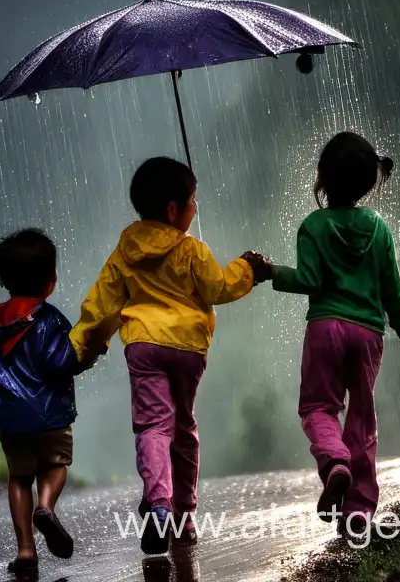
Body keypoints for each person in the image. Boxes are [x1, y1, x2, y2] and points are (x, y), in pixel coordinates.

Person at [69, 156, 273, 555]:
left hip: (144, 348)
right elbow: (218, 288)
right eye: (193, 201)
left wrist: (83, 347)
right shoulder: (191, 250)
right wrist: (249, 268)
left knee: (153, 428)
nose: (196, 208)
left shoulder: (124, 251)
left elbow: (103, 305)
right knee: (183, 430)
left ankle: (159, 505)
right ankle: (185, 518)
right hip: (188, 351)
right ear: (173, 210)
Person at [271, 131, 400, 528]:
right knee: (362, 417)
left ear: (321, 178)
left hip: (326, 330)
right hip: (368, 334)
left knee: (318, 407)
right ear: (367, 182)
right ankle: (358, 509)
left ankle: (334, 460)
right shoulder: (377, 227)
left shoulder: (313, 226)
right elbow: (392, 284)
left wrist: (271, 273)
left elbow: (309, 280)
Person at [0, 229, 93, 575]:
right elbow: (64, 362)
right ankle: (46, 506)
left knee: (19, 478)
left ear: (4, 280)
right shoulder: (50, 320)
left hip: (12, 421)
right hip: (52, 417)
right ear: (51, 280)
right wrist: (89, 350)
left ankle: (26, 550)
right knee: (56, 464)